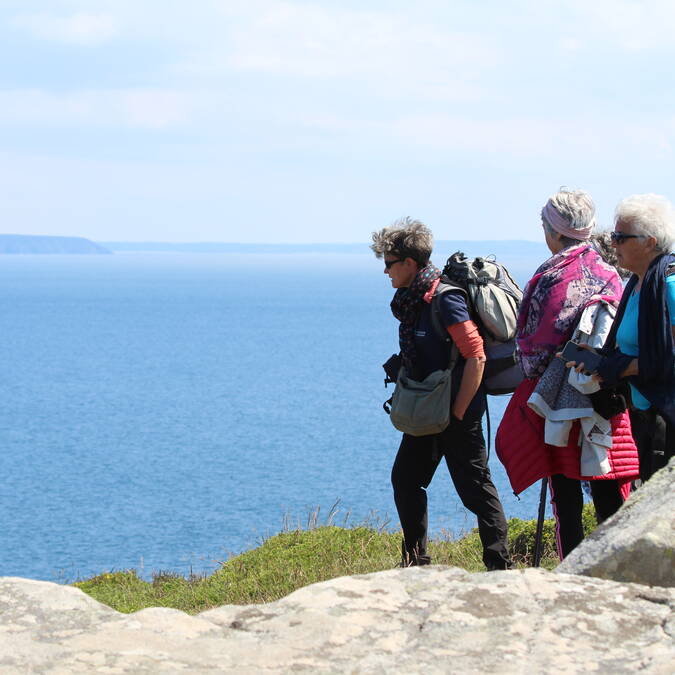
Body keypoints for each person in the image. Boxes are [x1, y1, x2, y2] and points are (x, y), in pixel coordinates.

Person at [495, 189, 640, 561]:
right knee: (610, 489)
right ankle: (618, 568)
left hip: (559, 402)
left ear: (553, 231)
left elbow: (533, 348)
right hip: (604, 396)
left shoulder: (549, 276)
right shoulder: (610, 273)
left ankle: (570, 571)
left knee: (566, 496)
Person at [371, 217, 511, 570]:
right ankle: (415, 562)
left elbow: (476, 355)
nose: (385, 271)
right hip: (429, 411)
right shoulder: (412, 299)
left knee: (474, 489)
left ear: (409, 264)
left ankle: (499, 566)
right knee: (405, 479)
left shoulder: (445, 300)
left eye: (389, 263)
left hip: (457, 412)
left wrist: (459, 412)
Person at [582, 194, 675, 483]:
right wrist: (599, 360)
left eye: (621, 237)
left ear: (650, 241)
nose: (613, 244)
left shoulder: (668, 287)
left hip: (667, 418)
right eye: (613, 235)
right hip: (646, 414)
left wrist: (619, 367)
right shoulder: (638, 284)